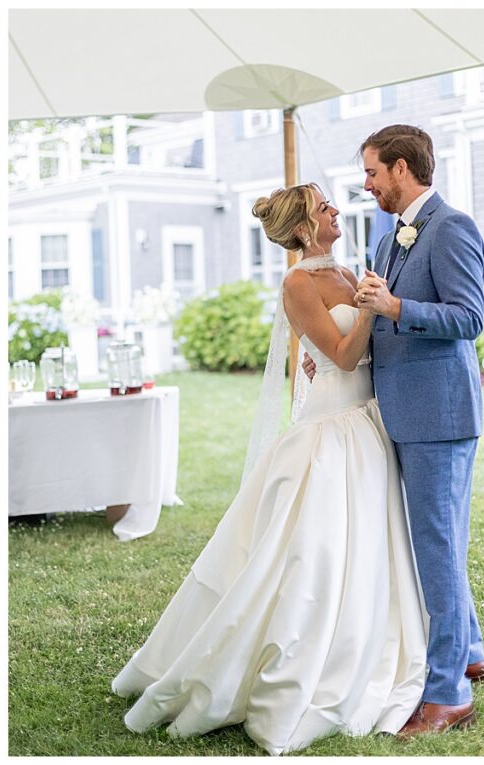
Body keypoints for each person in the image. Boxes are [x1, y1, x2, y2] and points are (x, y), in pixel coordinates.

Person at [111, 184, 427, 755]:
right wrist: (368, 307)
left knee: (371, 550)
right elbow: (346, 355)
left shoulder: (351, 270)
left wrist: (370, 301)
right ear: (305, 227)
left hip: (367, 425)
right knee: (311, 556)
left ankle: (367, 644)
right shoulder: (298, 283)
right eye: (324, 205)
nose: (335, 209)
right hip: (330, 433)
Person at [344, 124, 484, 737]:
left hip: (440, 415)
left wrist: (397, 309)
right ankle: (471, 651)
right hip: (401, 412)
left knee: (436, 548)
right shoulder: (387, 240)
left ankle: (448, 693)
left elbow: (469, 317)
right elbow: (377, 320)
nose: (367, 184)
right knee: (437, 542)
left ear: (402, 169)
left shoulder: (452, 228)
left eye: (373, 172)